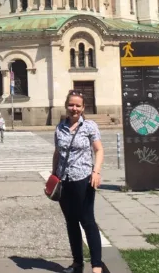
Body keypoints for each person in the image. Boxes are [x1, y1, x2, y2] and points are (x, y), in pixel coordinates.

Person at [52, 90, 104, 273]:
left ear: (83, 108)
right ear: (67, 106)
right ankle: (77, 263)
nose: (74, 108)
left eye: (77, 105)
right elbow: (57, 152)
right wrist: (53, 175)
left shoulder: (89, 126)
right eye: (71, 105)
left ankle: (96, 265)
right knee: (71, 222)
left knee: (87, 221)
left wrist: (96, 172)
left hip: (83, 179)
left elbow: (99, 150)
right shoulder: (60, 127)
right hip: (64, 180)